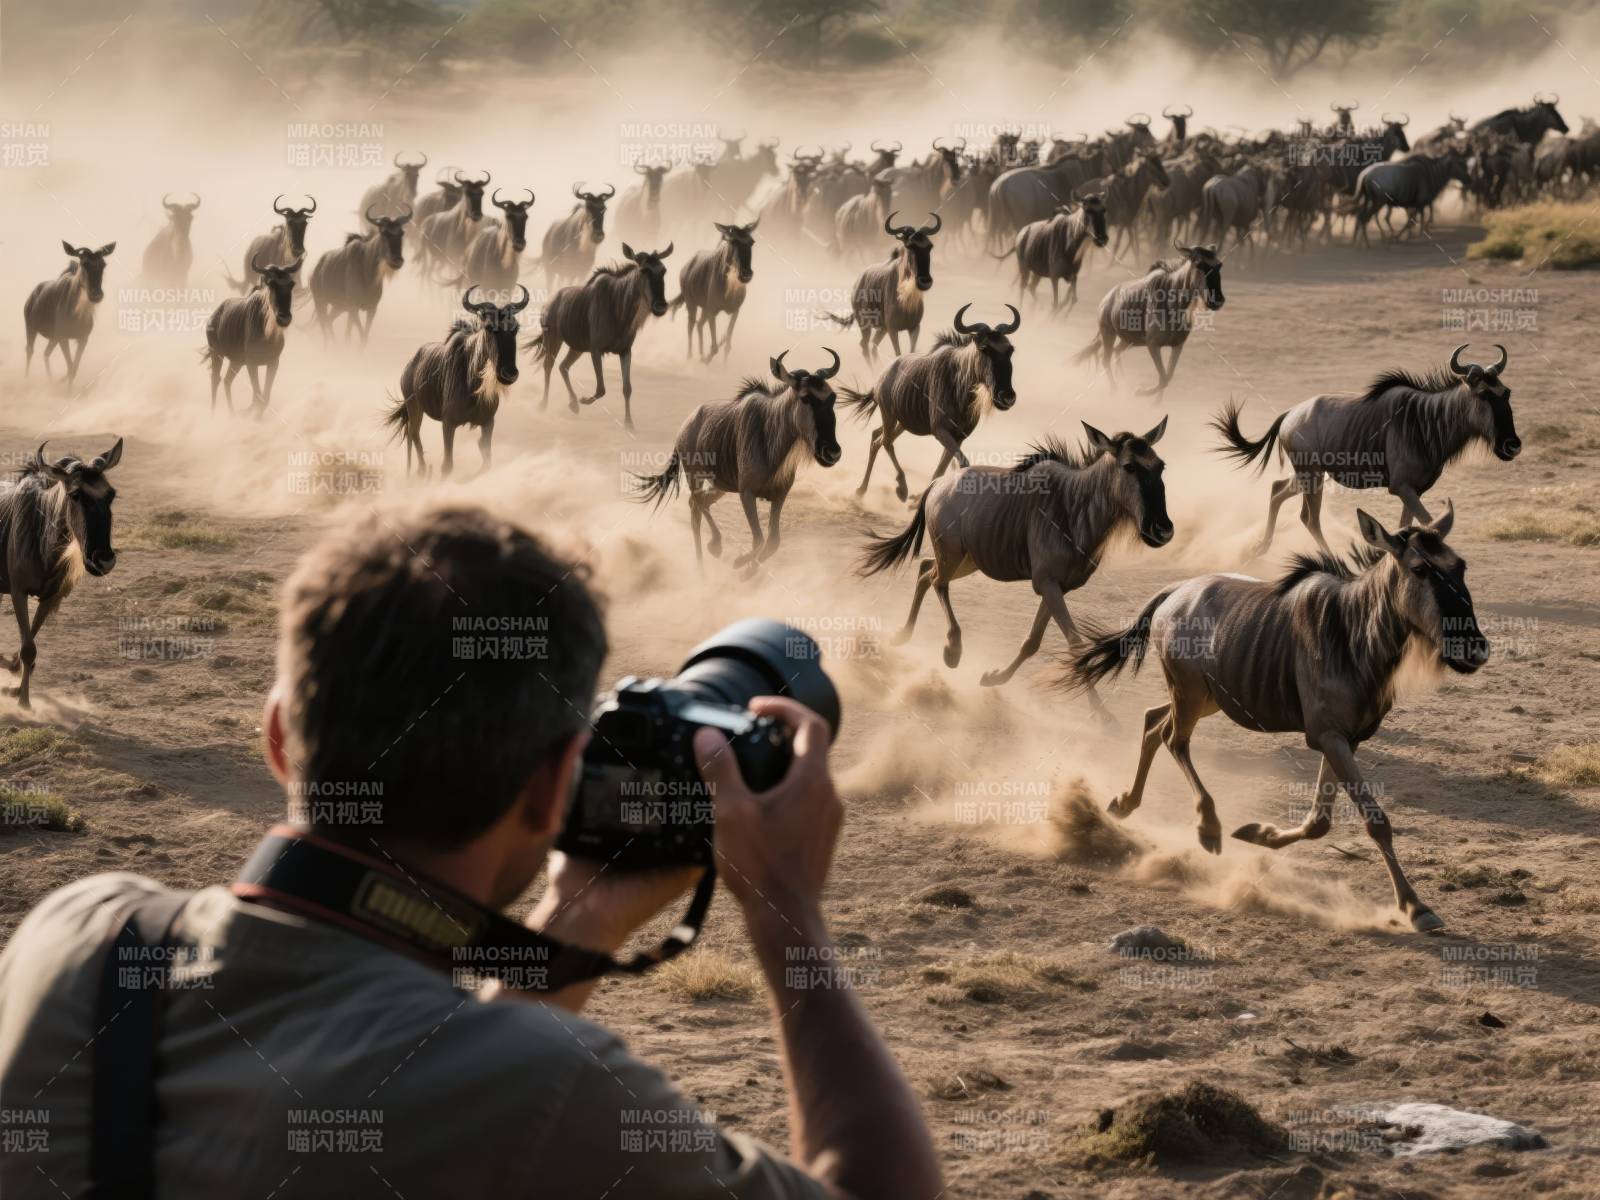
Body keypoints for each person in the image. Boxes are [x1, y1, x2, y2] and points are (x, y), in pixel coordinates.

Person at [0, 504, 941, 1198]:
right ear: (550, 788)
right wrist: (788, 911)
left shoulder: (82, 937)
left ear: (279, 737)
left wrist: (578, 923)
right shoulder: (548, 1097)